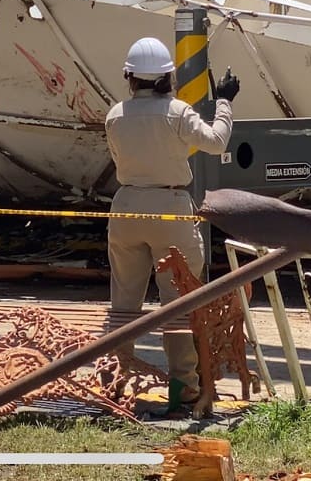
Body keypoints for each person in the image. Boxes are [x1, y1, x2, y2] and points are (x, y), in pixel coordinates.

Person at [104, 36, 239, 417]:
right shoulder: (178, 112)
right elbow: (216, 142)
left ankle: (114, 383)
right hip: (171, 208)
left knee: (123, 303)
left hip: (126, 207)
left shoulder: (115, 115)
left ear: (130, 76)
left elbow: (118, 156)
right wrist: (224, 101)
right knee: (179, 305)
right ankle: (184, 390)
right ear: (168, 77)